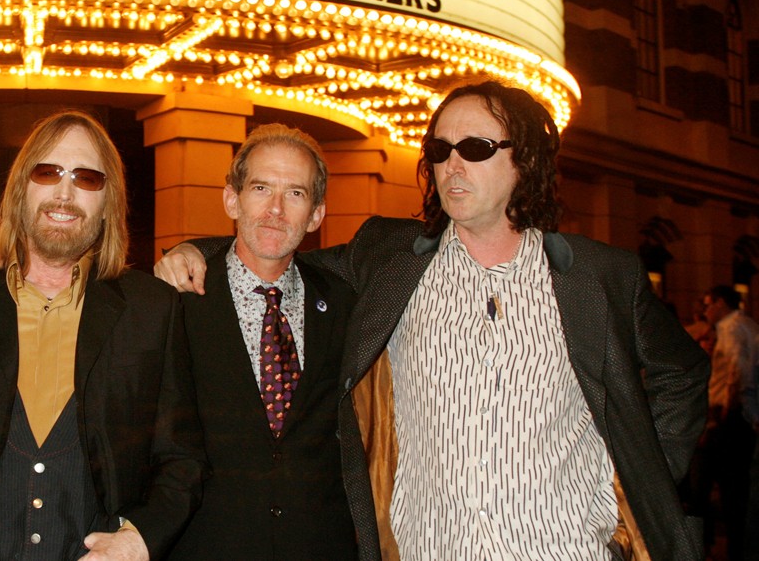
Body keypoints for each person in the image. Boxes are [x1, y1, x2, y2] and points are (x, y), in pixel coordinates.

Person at [156, 80, 709, 560]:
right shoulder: (390, 259)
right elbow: (276, 249)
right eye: (441, 149)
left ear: (526, 160)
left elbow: (681, 375)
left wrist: (636, 486)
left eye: (475, 147)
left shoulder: (599, 277)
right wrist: (194, 250)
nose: (453, 165)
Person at [0, 111, 205, 561]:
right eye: (48, 172)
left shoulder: (153, 309)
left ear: (108, 201)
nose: (64, 193)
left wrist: (139, 541)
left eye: (86, 178)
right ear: (21, 186)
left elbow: (182, 460)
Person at [169, 124, 360, 560]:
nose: (275, 209)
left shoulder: (345, 303)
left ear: (315, 214)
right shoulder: (175, 301)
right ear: (232, 199)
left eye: (295, 193)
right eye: (260, 188)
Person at [701, 284, 758, 560]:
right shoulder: (744, 324)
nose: (705, 311)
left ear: (721, 303)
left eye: (708, 304)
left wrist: (726, 410)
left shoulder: (732, 327)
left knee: (729, 486)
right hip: (737, 416)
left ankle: (734, 549)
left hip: (730, 417)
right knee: (735, 487)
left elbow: (738, 370)